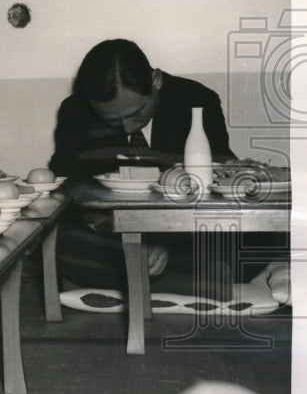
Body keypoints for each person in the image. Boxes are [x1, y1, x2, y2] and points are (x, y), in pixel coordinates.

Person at [48, 39, 239, 296]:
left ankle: (129, 279)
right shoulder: (76, 110)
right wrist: (127, 235)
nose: (128, 127)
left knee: (252, 232)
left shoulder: (196, 100)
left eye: (137, 113)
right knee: (51, 237)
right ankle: (182, 282)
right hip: (114, 234)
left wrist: (162, 240)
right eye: (112, 120)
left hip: (184, 232)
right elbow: (71, 183)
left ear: (156, 81)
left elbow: (215, 178)